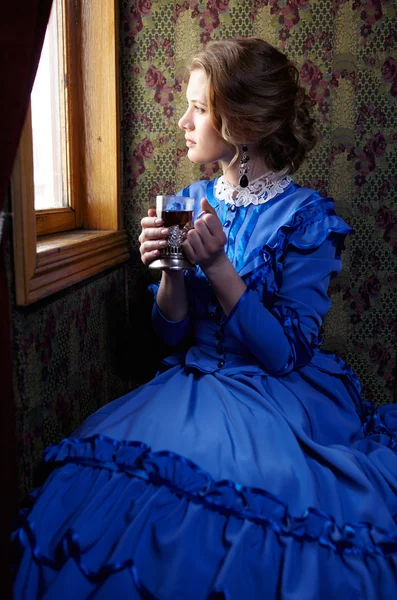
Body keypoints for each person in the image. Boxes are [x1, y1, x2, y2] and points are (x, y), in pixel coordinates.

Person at [11, 37, 397, 599]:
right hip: (191, 382)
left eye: (198, 106)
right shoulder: (189, 198)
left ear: (240, 120)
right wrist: (168, 271)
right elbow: (170, 334)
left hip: (274, 395)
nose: (182, 119)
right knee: (104, 486)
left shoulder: (305, 217)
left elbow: (286, 354)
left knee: (256, 505)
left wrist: (217, 265)